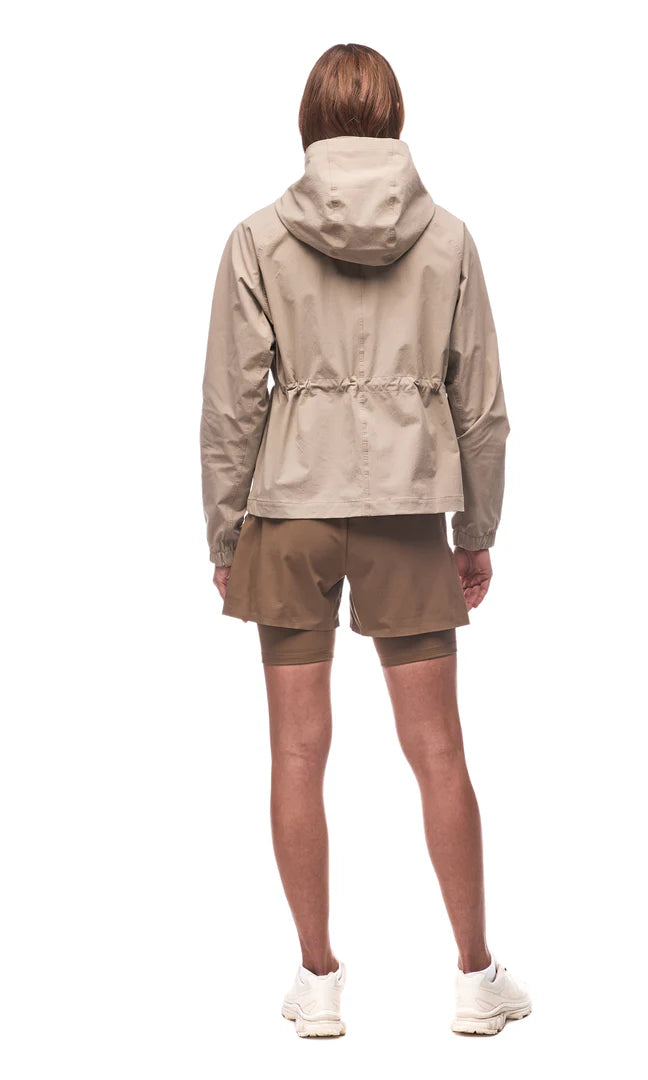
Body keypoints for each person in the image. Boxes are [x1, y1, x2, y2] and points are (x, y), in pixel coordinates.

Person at [200, 42, 531, 1038]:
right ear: (393, 117)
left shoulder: (258, 237)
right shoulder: (449, 238)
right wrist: (475, 529)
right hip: (408, 513)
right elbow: (483, 409)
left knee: (297, 752)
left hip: (288, 514)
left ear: (309, 120)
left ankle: (317, 984)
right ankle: (475, 980)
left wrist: (226, 532)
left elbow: (230, 408)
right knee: (438, 750)